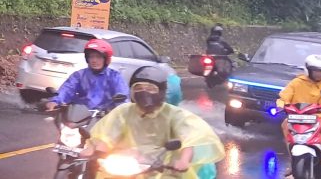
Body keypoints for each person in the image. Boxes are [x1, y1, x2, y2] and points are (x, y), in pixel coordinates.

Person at [82, 66, 224, 179]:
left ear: (161, 91)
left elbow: (189, 138)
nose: (144, 92)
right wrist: (95, 149)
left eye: (151, 89)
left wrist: (183, 160)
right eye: (139, 88)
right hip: (129, 164)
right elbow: (107, 134)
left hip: (163, 168)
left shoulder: (174, 115)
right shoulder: (124, 111)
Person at [278, 54, 321, 179]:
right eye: (316, 71)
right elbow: (284, 97)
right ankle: (293, 162)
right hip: (299, 115)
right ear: (308, 70)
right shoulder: (297, 82)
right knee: (285, 124)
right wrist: (281, 105)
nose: (319, 74)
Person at [44, 39, 129, 112]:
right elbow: (67, 89)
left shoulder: (115, 76)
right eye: (91, 57)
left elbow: (123, 97)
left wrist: (119, 107)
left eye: (98, 57)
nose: (94, 60)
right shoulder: (79, 75)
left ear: (106, 59)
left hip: (106, 119)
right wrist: (55, 101)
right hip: (80, 117)